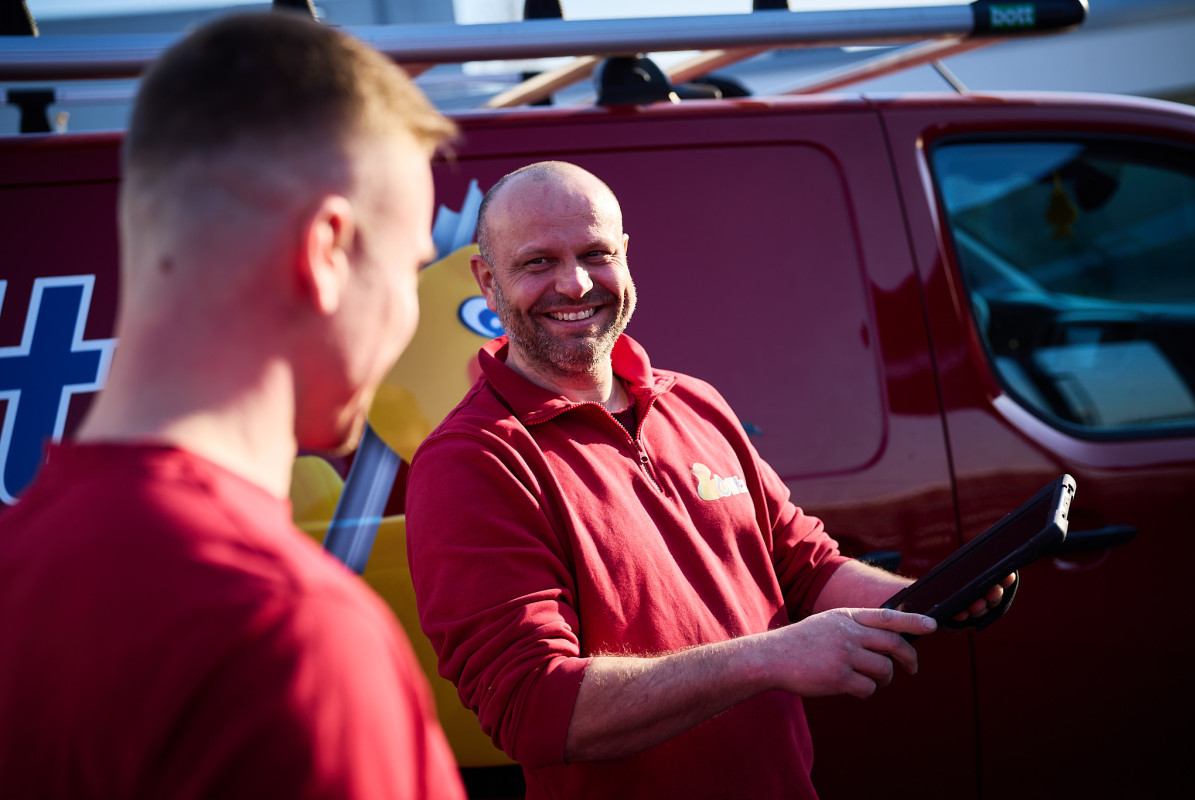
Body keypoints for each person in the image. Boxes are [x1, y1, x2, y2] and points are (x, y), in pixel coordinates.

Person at [404, 161, 1014, 799]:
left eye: (595, 253)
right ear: (487, 280)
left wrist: (931, 597)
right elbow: (533, 707)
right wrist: (771, 656)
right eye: (536, 263)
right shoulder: (472, 460)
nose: (575, 283)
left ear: (626, 257)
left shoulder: (694, 403)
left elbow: (806, 569)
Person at [0, 11, 465, 800]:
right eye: (411, 268)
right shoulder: (288, 635)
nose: (409, 314)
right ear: (325, 252)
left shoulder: (21, 564)